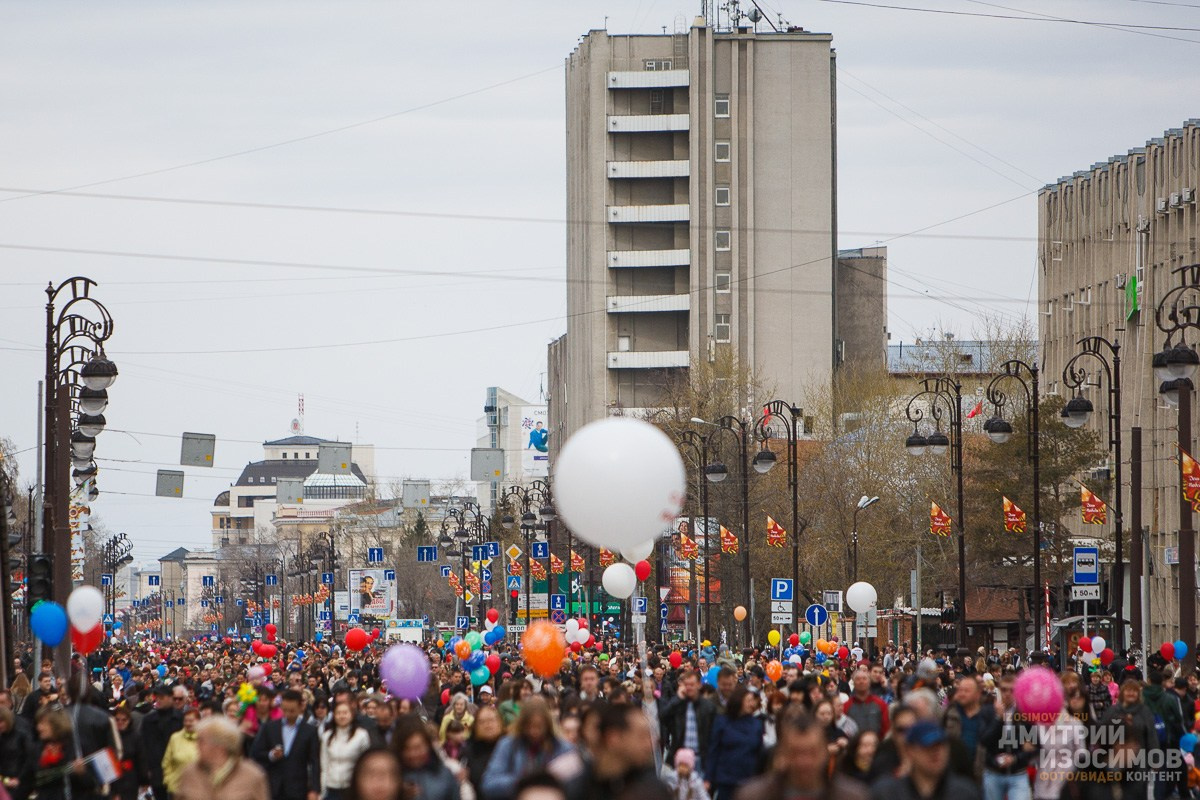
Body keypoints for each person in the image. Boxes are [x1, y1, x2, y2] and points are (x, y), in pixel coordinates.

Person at [733, 709, 868, 800]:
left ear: (825, 752)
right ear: (782, 753)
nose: (804, 761)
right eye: (795, 752)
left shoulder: (852, 796)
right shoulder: (752, 796)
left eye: (812, 752)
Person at [481, 697, 574, 800]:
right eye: (529, 726)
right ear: (522, 725)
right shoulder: (508, 745)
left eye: (539, 726)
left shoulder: (562, 747)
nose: (534, 731)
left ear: (547, 725)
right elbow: (489, 784)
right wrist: (522, 782)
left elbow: (576, 783)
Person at [870, 721, 981, 800]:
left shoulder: (965, 793)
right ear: (910, 751)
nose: (936, 753)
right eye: (928, 747)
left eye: (940, 746)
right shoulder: (886, 793)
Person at [577, 702, 667, 799]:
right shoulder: (579, 786)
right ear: (613, 738)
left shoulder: (653, 790)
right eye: (642, 736)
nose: (650, 744)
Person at [175, 716, 270, 800]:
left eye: (201, 741)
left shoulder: (252, 775)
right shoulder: (189, 773)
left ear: (219, 746)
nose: (196, 746)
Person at [251, 689, 321, 800]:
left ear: (300, 707)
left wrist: (314, 789)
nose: (287, 714)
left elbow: (315, 762)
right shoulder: (270, 728)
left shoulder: (309, 731)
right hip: (273, 787)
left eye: (292, 711)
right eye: (285, 710)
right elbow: (256, 753)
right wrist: (271, 755)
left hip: (298, 788)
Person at [706, 686, 764, 800]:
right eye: (748, 700)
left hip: (749, 779)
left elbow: (759, 753)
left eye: (753, 701)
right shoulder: (722, 722)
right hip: (727, 779)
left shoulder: (757, 725)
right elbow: (713, 750)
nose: (751, 704)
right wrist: (708, 778)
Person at [661, 670, 718, 778]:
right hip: (681, 757)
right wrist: (677, 698)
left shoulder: (708, 707)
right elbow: (663, 716)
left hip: (701, 757)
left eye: (692, 685)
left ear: (699, 685)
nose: (689, 688)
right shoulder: (678, 704)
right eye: (686, 685)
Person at [391, 715, 460, 800]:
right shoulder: (391, 778)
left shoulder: (444, 774)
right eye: (407, 748)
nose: (413, 754)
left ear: (428, 746)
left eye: (418, 747)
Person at [26, 707, 87, 800]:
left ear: (56, 724)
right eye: (38, 723)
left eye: (43, 723)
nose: (39, 727)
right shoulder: (37, 748)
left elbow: (91, 783)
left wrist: (80, 774)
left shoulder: (75, 747)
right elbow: (26, 781)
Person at [320, 701, 372, 800]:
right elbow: (324, 764)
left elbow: (366, 764)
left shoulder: (361, 735)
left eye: (345, 713)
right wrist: (322, 792)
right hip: (331, 788)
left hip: (352, 788)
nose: (342, 716)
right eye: (338, 713)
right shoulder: (327, 736)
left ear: (351, 715)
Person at [141, 684, 184, 800]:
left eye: (162, 697)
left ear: (171, 698)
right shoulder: (149, 720)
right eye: (157, 697)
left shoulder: (181, 719)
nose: (158, 700)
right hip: (156, 769)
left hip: (177, 770)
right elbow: (144, 745)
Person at [463, 704, 504, 798]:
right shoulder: (467, 752)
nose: (488, 725)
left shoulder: (510, 748)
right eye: (482, 722)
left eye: (491, 720)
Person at [162, 707, 201, 797]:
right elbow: (167, 762)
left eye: (191, 721)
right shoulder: (175, 738)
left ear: (199, 721)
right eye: (186, 721)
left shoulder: (205, 739)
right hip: (176, 789)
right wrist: (169, 780)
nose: (188, 723)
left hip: (199, 791)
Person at [111, 706, 145, 800]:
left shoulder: (135, 737)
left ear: (129, 720)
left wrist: (144, 781)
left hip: (130, 780)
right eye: (117, 720)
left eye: (124, 720)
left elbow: (141, 759)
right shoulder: (109, 736)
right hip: (112, 779)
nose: (120, 722)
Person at [843, 668, 889, 736]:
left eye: (864, 679)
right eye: (858, 679)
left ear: (869, 682)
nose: (861, 681)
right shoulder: (846, 706)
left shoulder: (881, 704)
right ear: (853, 683)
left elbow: (886, 728)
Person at [0, 707, 32, 800]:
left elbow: (29, 759)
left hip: (18, 779)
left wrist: (20, 779)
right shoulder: (2, 737)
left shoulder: (21, 735)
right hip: (4, 779)